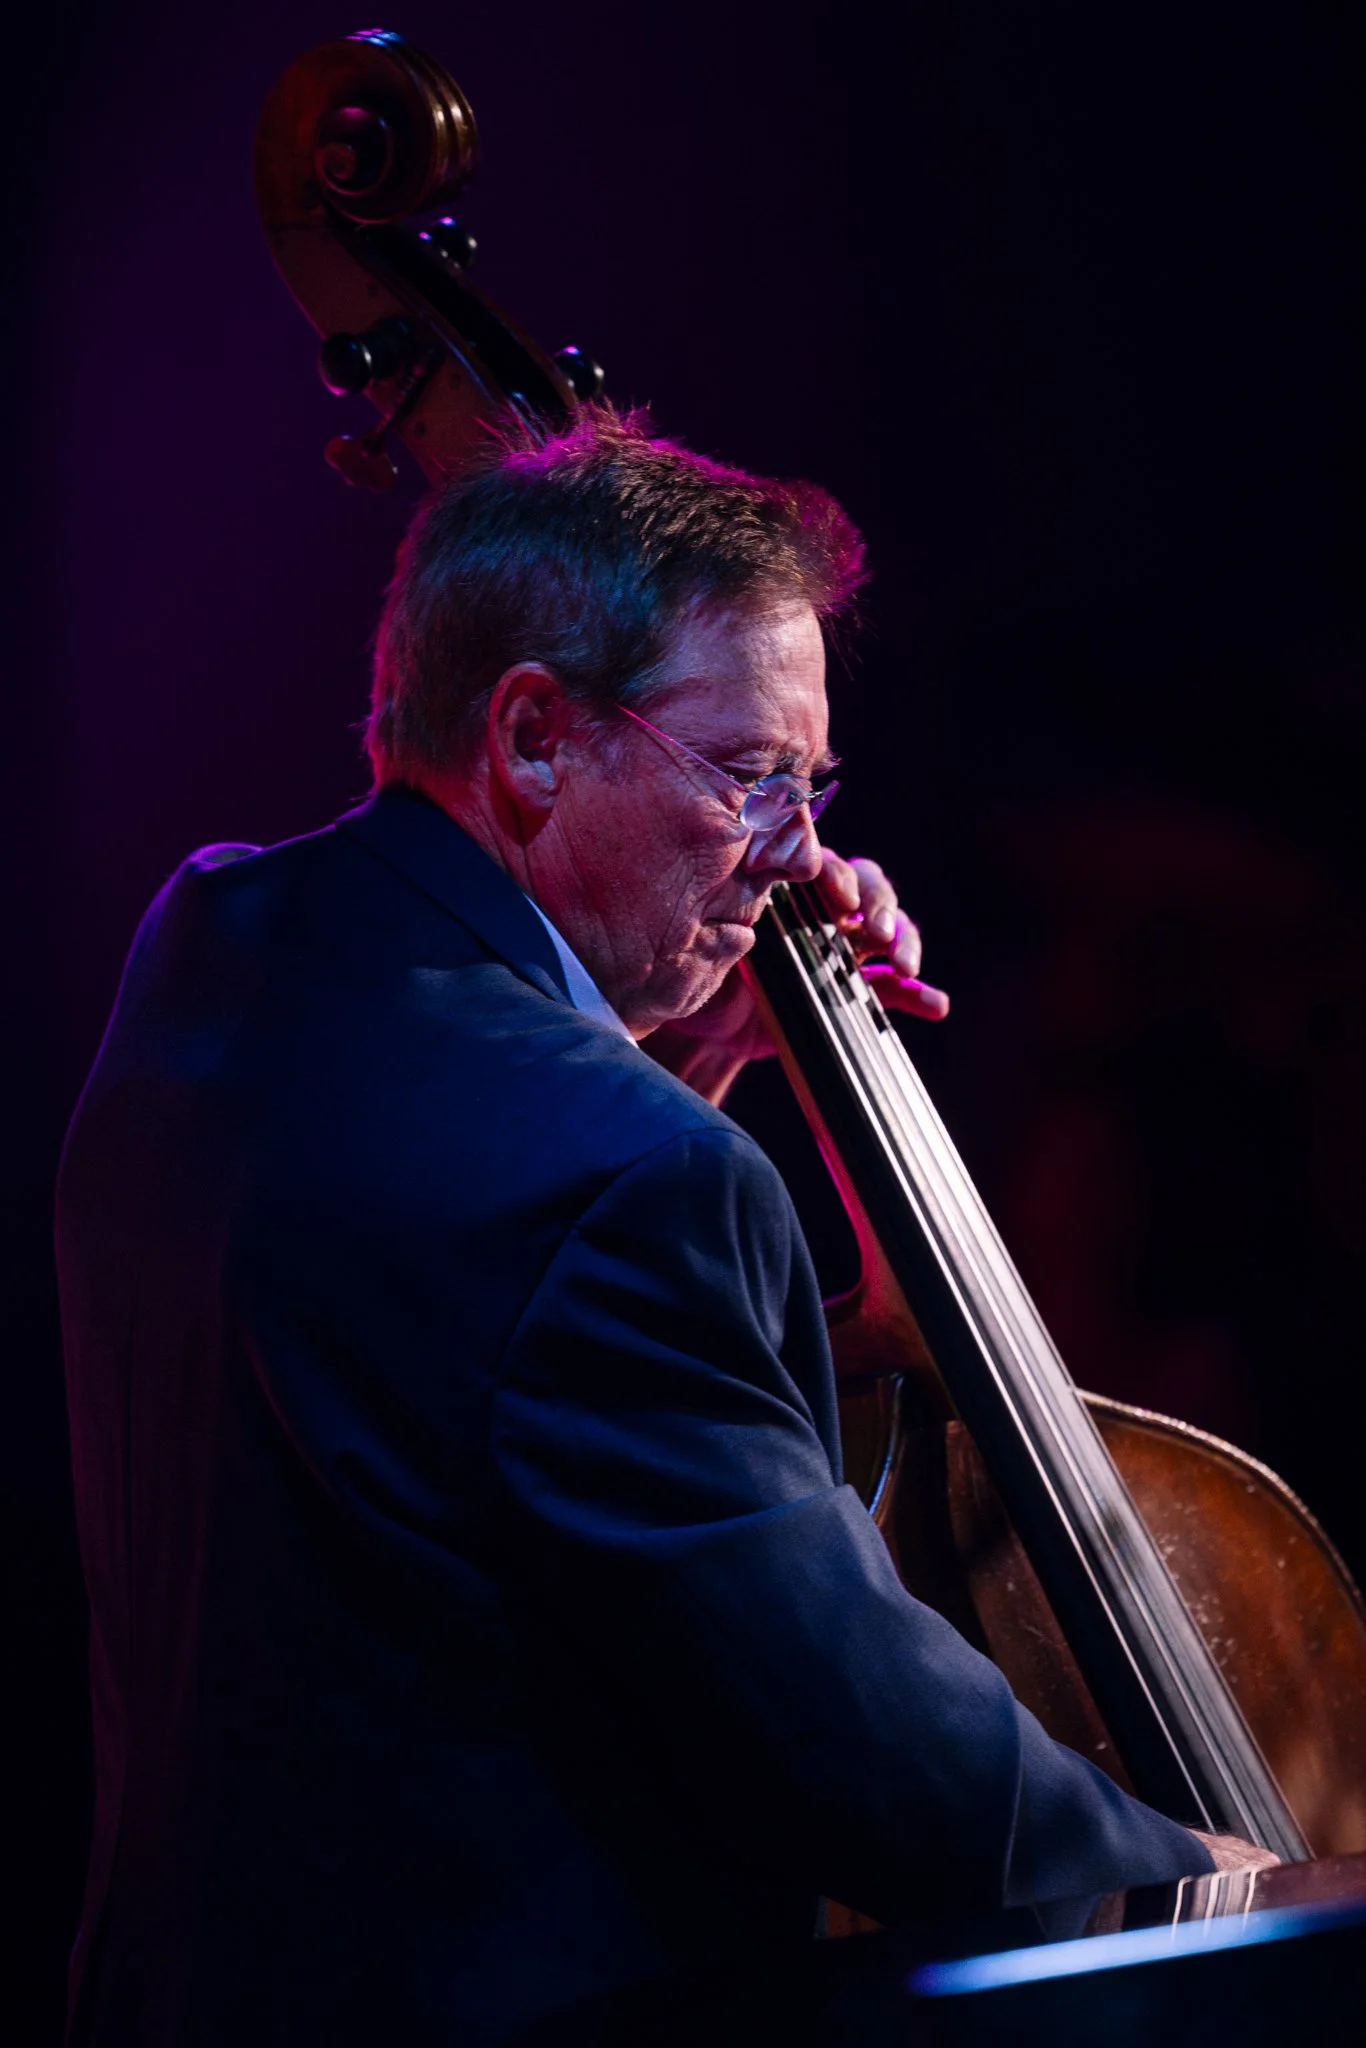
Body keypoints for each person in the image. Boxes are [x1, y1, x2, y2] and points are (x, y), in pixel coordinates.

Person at [57, 407, 1270, 2046]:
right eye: (750, 775)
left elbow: (475, 1338)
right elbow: (852, 1744)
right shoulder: (621, 1181)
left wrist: (683, 1050)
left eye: (813, 787)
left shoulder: (215, 936)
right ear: (532, 737)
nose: (797, 855)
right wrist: (1214, 1891)